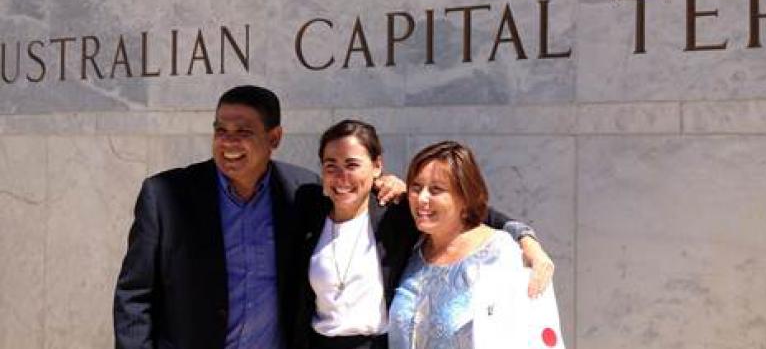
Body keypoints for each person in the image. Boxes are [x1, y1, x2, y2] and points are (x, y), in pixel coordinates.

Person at [112, 86, 406, 349]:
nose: (229, 143)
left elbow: (349, 200)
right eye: (221, 131)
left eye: (243, 132)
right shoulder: (165, 195)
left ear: (274, 137)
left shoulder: (302, 193)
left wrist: (386, 185)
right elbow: (135, 296)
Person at [292, 121, 555, 349]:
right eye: (331, 165)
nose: (341, 177)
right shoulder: (308, 211)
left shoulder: (395, 213)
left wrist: (525, 239)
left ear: (376, 167)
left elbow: (469, 209)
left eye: (352, 164)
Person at [388, 141, 565, 349]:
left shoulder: (501, 254)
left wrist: (527, 238)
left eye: (436, 190)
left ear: (465, 198)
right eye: (416, 188)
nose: (422, 198)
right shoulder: (410, 248)